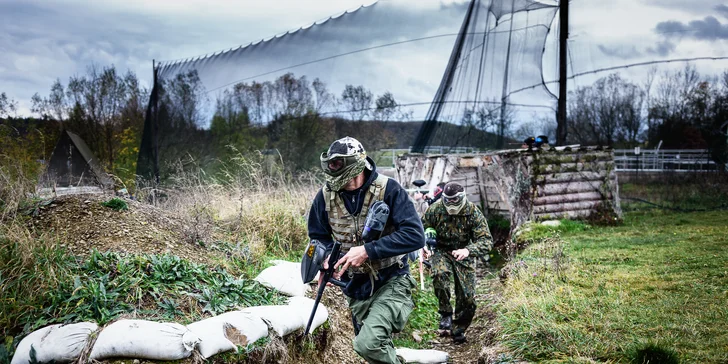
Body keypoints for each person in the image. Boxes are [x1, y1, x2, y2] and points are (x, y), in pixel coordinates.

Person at [308, 136, 425, 364]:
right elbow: (318, 236)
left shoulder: (389, 190)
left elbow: (415, 235)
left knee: (367, 344)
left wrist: (367, 250)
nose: (334, 179)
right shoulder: (325, 196)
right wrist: (326, 260)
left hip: (392, 280)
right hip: (356, 288)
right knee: (374, 350)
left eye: (339, 170)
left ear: (356, 167)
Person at [421, 181, 493, 344]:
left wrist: (468, 250)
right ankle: (445, 313)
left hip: (463, 252)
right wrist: (425, 242)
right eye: (448, 199)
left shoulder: (472, 211)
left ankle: (458, 328)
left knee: (467, 297)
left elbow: (486, 240)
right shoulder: (435, 209)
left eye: (455, 199)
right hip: (440, 250)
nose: (452, 203)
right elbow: (421, 227)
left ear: (462, 197)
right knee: (440, 274)